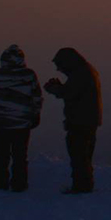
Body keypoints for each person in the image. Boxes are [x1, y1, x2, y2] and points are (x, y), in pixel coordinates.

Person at [0, 44, 42, 192]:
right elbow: (36, 97)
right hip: (22, 122)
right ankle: (19, 183)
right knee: (20, 154)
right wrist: (35, 115)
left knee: (1, 153)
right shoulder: (28, 75)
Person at [44, 47, 102, 194]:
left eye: (60, 65)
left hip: (80, 121)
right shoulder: (85, 71)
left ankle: (82, 187)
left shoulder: (80, 74)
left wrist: (54, 88)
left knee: (79, 155)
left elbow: (68, 93)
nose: (59, 69)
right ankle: (84, 185)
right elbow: (75, 92)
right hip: (87, 120)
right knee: (83, 155)